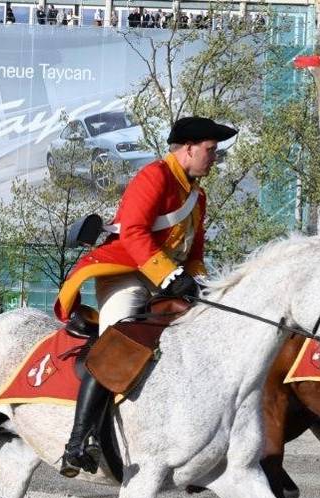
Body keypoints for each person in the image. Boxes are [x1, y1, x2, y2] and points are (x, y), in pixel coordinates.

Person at [55, 116, 238, 477]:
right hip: (124, 273)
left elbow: (194, 252)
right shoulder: (154, 176)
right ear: (188, 149)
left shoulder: (197, 195)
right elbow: (135, 233)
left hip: (162, 280)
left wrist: (199, 283)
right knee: (117, 341)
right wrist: (170, 275)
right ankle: (77, 444)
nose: (214, 157)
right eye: (209, 150)